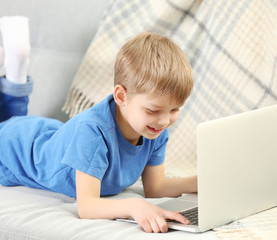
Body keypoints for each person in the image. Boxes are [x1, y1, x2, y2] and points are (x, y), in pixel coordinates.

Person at [0, 17, 197, 233]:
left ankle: (14, 74)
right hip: (13, 147)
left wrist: (201, 182)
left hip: (52, 136)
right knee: (7, 125)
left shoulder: (155, 129)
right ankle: (15, 70)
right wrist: (134, 205)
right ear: (121, 96)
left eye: (175, 109)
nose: (165, 121)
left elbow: (156, 188)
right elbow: (87, 207)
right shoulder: (93, 133)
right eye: (153, 110)